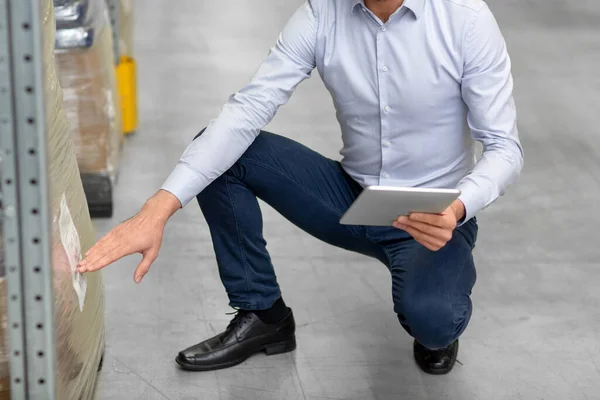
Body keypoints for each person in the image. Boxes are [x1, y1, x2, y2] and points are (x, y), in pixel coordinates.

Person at [78, 0, 523, 375]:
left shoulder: (465, 18)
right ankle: (264, 314)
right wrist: (158, 207)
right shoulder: (322, 12)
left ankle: (435, 325)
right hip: (350, 197)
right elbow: (248, 108)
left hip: (435, 214)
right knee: (223, 154)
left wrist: (459, 208)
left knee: (433, 320)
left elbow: (505, 148)